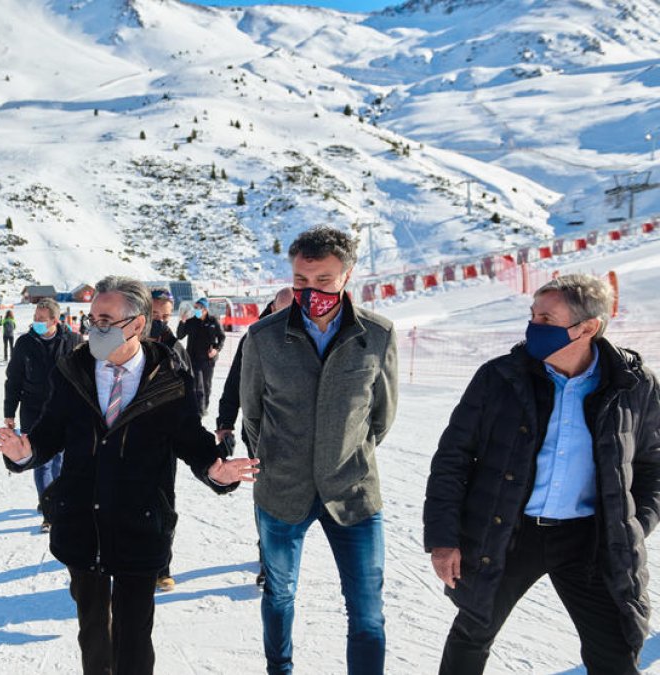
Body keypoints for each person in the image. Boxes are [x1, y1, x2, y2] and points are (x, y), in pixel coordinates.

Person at [0, 275, 259, 675]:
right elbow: (49, 433)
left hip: (141, 521)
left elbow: (190, 437)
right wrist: (25, 451)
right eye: (92, 317)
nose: (92, 326)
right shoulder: (72, 370)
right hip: (82, 520)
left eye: (104, 319)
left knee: (133, 637)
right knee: (94, 632)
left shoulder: (169, 376)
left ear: (136, 323)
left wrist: (214, 469)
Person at [424, 274, 660, 674]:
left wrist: (634, 523)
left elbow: (652, 465)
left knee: (615, 651)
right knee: (473, 632)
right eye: (532, 315)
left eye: (546, 319)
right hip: (509, 532)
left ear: (587, 328)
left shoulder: (633, 385)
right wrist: (443, 539)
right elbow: (452, 459)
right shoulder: (499, 377)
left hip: (588, 538)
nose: (533, 326)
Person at [239, 227, 397, 675]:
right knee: (280, 595)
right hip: (282, 493)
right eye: (301, 282)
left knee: (367, 612)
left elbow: (381, 416)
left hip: (352, 493)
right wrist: (277, 461)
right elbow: (253, 414)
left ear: (347, 276)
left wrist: (340, 453)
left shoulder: (378, 335)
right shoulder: (264, 337)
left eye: (323, 281)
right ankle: (280, 669)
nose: (311, 292)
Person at [216, 287, 293, 588]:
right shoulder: (254, 337)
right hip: (259, 432)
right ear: (271, 308)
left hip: (298, 435)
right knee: (267, 495)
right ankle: (269, 559)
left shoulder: (310, 337)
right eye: (282, 310)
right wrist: (225, 423)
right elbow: (235, 380)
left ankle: (282, 552)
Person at [3, 298, 82, 532]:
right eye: (35, 317)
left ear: (55, 321)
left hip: (64, 410)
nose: (36, 322)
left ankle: (57, 498)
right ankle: (49, 510)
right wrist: (9, 412)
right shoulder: (25, 343)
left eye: (41, 319)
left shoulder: (73, 341)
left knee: (60, 460)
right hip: (33, 411)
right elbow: (14, 380)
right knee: (40, 462)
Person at [144, 288, 191, 593]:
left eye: (165, 316)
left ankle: (162, 567)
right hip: (125, 438)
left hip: (163, 441)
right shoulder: (124, 343)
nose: (161, 322)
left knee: (163, 505)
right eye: (155, 316)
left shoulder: (176, 349)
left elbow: (189, 393)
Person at [177, 297, 225, 416]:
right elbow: (180, 335)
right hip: (193, 359)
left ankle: (204, 407)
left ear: (205, 309)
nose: (196, 310)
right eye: (195, 307)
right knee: (198, 385)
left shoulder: (213, 321)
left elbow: (222, 337)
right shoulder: (191, 321)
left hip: (208, 359)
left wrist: (216, 349)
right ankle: (199, 410)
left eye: (198, 308)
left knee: (207, 385)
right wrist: (182, 322)